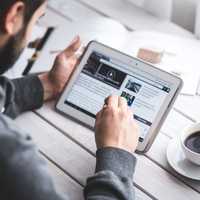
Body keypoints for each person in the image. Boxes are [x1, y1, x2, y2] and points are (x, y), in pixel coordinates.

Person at [0, 0, 140, 199]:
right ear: (15, 15)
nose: (31, 35)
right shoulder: (10, 155)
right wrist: (117, 154)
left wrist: (47, 84)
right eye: (37, 20)